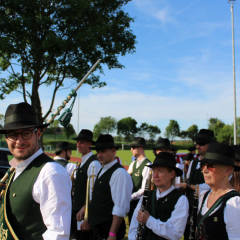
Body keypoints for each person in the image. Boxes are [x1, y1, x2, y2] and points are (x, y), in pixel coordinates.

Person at [0, 102, 71, 240]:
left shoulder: (50, 172)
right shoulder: (16, 169)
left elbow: (58, 234)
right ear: (6, 138)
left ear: (38, 134)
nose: (19, 141)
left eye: (26, 133)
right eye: (13, 134)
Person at [128, 152, 189, 240]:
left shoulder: (181, 200)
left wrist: (148, 220)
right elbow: (134, 226)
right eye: (154, 171)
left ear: (171, 174)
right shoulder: (146, 197)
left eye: (160, 171)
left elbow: (174, 233)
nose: (155, 175)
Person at [85, 134, 133, 240]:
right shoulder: (103, 169)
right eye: (98, 152)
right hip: (98, 229)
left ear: (113, 151)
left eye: (103, 151)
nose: (99, 155)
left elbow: (120, 207)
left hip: (108, 231)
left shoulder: (119, 173)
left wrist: (112, 234)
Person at [195, 142, 240, 239]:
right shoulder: (204, 196)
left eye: (210, 166)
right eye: (203, 165)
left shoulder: (234, 203)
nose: (205, 170)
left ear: (227, 170)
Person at [176, 129, 214, 239]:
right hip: (191, 206)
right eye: (197, 143)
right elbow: (189, 180)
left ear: (210, 145)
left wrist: (188, 186)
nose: (198, 146)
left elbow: (209, 187)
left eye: (201, 144)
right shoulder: (194, 162)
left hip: (205, 207)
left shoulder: (213, 164)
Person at [71, 129, 101, 240]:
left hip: (85, 214)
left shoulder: (93, 163)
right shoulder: (83, 162)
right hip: (79, 212)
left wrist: (87, 217)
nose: (78, 144)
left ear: (90, 144)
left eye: (82, 142)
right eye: (78, 142)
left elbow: (94, 192)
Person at [127, 137, 151, 224]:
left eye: (133, 147)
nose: (131, 150)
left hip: (140, 204)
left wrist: (130, 197)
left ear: (140, 148)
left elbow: (144, 189)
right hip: (132, 202)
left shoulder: (147, 165)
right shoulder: (133, 164)